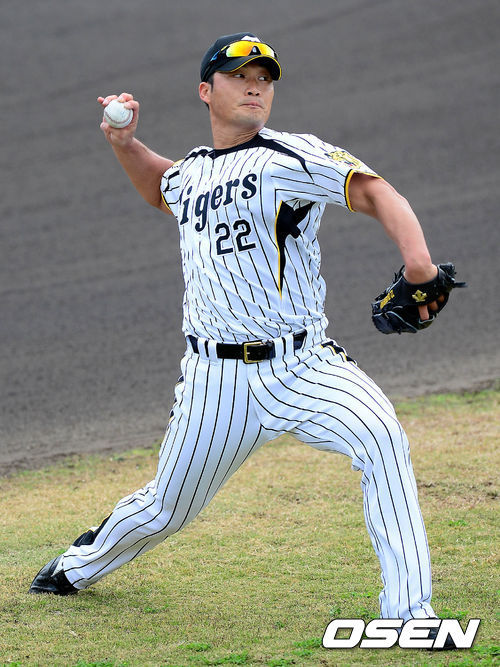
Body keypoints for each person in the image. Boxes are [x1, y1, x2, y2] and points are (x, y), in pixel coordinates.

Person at [29, 31, 456, 646]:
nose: (256, 86)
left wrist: (418, 265)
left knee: (383, 438)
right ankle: (77, 567)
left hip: (303, 366)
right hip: (214, 381)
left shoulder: (292, 156)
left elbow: (375, 192)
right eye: (239, 76)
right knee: (167, 508)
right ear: (206, 91)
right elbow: (160, 188)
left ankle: (409, 615)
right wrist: (124, 144)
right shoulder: (193, 173)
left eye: (264, 78)